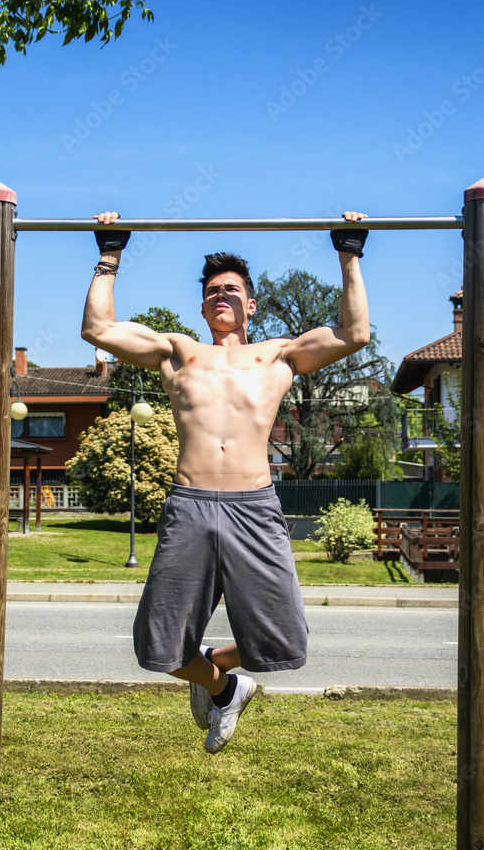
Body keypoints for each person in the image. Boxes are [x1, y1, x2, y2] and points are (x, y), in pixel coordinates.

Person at [81, 211, 370, 753]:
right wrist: (110, 254)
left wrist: (349, 252)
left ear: (251, 303)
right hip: (189, 505)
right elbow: (97, 329)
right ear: (202, 305)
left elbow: (355, 333)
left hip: (253, 507)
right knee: (157, 646)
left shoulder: (279, 355)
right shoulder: (179, 351)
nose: (222, 296)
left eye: (232, 290)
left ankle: (217, 665)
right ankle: (224, 687)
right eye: (213, 290)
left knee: (286, 642)